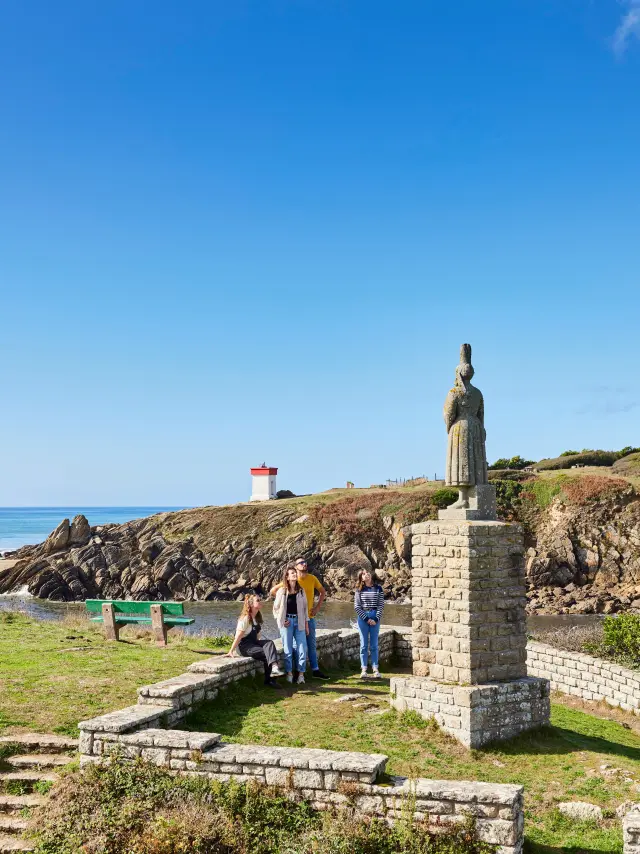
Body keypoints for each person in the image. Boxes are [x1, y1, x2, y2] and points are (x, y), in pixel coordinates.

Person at [270, 558, 329, 680]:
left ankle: (315, 670)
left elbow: (323, 592)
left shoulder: (312, 578)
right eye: (301, 563)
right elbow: (273, 591)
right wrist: (283, 605)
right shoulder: (290, 581)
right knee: (295, 647)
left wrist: (317, 607)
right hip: (291, 619)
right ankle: (296, 673)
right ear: (296, 567)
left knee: (310, 645)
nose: (304, 564)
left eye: (305, 562)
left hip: (308, 618)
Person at [226, 593, 285, 687]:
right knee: (267, 654)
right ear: (251, 604)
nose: (260, 601)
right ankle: (270, 681)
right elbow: (238, 637)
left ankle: (274, 668)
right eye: (257, 600)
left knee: (269, 643)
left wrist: (262, 645)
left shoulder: (257, 618)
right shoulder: (245, 619)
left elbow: (258, 637)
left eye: (260, 600)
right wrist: (231, 651)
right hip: (244, 647)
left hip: (253, 644)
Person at [273, 564, 309, 684]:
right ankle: (289, 673)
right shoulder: (282, 591)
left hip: (299, 622)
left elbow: (305, 609)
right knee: (288, 649)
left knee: (302, 648)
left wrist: (306, 624)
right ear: (287, 577)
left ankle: (301, 674)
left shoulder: (301, 591)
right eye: (292, 573)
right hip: (287, 622)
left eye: (295, 573)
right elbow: (276, 608)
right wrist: (282, 620)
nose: (294, 574)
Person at [354, 569, 384, 678]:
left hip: (375, 615)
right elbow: (357, 607)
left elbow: (381, 605)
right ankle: (364, 669)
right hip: (363, 618)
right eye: (363, 574)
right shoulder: (359, 589)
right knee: (363, 645)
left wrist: (375, 619)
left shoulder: (378, 588)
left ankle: (375, 669)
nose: (366, 575)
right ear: (361, 578)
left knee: (374, 645)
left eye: (367, 573)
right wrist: (367, 619)